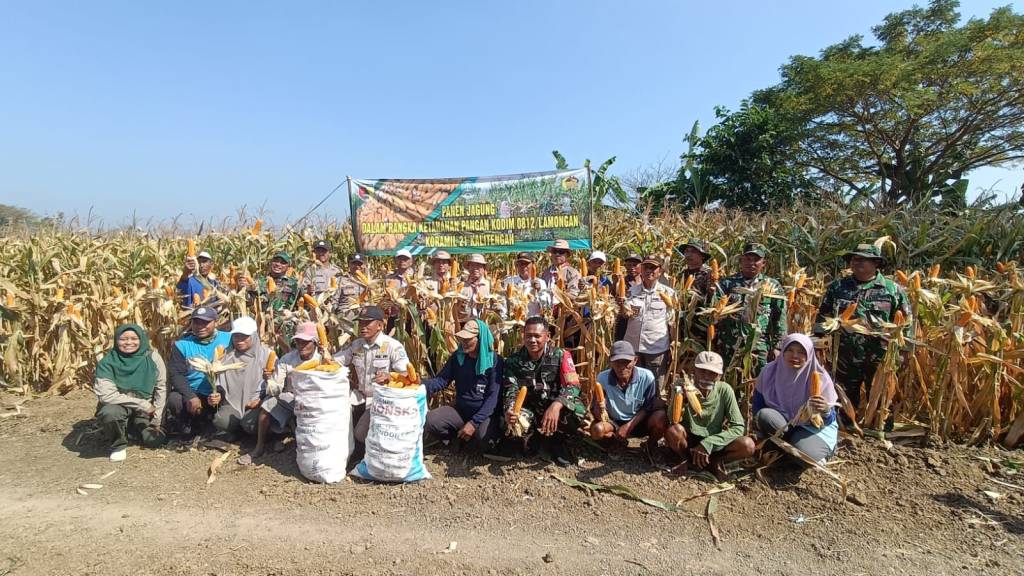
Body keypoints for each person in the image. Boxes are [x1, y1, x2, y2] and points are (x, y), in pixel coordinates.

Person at [814, 244, 913, 420]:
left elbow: (906, 322)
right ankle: (845, 426)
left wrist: (905, 351)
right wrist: (817, 344)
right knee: (843, 394)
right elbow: (824, 316)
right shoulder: (838, 287)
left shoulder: (893, 290)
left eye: (862, 259)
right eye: (854, 259)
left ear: (876, 263)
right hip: (845, 354)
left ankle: (878, 427)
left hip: (880, 355)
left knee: (881, 393)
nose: (856, 262)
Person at [502, 316, 585, 466]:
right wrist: (510, 409)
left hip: (555, 409)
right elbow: (511, 390)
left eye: (537, 336)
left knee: (577, 410)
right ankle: (532, 436)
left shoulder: (561, 356)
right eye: (528, 336)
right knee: (516, 421)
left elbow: (573, 386)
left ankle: (559, 440)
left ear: (548, 336)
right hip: (531, 409)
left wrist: (557, 404)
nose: (532, 340)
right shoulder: (512, 361)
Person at [238, 322, 322, 465]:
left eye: (306, 342)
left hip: (314, 400)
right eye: (298, 341)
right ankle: (259, 447)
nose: (301, 345)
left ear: (315, 342)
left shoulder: (322, 359)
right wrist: (269, 380)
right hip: (290, 397)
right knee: (267, 405)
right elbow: (276, 388)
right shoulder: (287, 359)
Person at [334, 306, 410, 464]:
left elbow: (407, 374)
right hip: (360, 396)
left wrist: (390, 376)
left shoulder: (392, 346)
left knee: (360, 433)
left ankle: (367, 458)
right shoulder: (356, 345)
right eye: (361, 323)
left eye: (368, 323)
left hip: (381, 400)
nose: (363, 327)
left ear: (380, 325)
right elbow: (336, 362)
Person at [664, 351, 755, 481]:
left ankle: (713, 462)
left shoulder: (725, 390)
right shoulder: (682, 385)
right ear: (694, 370)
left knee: (748, 445)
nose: (706, 377)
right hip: (688, 440)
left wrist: (709, 443)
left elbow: (738, 427)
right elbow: (672, 420)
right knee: (674, 431)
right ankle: (684, 459)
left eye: (712, 373)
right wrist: (681, 399)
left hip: (714, 442)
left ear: (720, 375)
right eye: (702, 371)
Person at [753, 334, 839, 464]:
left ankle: (823, 451)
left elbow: (828, 420)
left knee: (802, 456)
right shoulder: (769, 371)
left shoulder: (821, 377)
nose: (795, 356)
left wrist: (826, 410)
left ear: (809, 355)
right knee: (764, 415)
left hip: (812, 428)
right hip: (783, 423)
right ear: (783, 352)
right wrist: (759, 434)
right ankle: (786, 445)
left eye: (801, 352)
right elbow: (757, 405)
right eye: (790, 350)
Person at [422, 319, 502, 452]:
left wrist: (474, 422)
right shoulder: (458, 357)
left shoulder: (494, 361)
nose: (463, 343)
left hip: (484, 414)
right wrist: (417, 384)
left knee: (485, 440)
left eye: (468, 339)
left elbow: (493, 398)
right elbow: (441, 380)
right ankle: (458, 437)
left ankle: (473, 439)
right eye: (462, 339)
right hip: (461, 410)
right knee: (431, 421)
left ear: (480, 339)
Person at [93, 324, 168, 461]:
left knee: (154, 441)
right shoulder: (107, 362)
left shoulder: (153, 358)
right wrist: (142, 404)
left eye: (134, 338)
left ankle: (131, 428)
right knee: (110, 413)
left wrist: (157, 420)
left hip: (146, 411)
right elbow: (106, 395)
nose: (128, 343)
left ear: (142, 340)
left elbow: (161, 388)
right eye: (123, 339)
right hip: (120, 405)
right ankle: (118, 445)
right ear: (116, 341)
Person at [716, 242, 787, 375]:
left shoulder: (772, 286)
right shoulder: (727, 283)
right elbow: (716, 311)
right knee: (729, 382)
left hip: (759, 347)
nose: (751, 263)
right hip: (730, 346)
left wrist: (778, 347)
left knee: (758, 385)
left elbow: (780, 319)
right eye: (748, 259)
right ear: (741, 260)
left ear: (764, 263)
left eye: (756, 260)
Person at [166, 306, 232, 437]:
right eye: (196, 322)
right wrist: (190, 396)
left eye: (205, 322)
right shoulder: (182, 345)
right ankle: (190, 423)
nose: (200, 326)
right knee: (174, 399)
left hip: (219, 391)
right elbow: (176, 373)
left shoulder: (229, 339)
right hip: (194, 392)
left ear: (216, 322)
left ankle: (213, 423)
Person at [589, 341, 667, 451]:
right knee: (597, 430)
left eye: (626, 362)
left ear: (635, 360)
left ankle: (650, 447)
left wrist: (628, 426)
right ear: (610, 361)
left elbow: (647, 407)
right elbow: (596, 413)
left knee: (661, 418)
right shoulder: (602, 378)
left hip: (640, 421)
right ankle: (617, 442)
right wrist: (600, 408)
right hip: (614, 422)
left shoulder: (647, 377)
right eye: (617, 362)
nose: (622, 367)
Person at [616, 256, 675, 388]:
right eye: (646, 267)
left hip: (656, 348)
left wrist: (673, 345)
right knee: (633, 384)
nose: (649, 271)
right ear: (641, 270)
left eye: (653, 268)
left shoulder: (669, 293)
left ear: (660, 271)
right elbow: (625, 316)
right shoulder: (631, 292)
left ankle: (655, 407)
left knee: (655, 386)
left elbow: (672, 322)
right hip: (633, 348)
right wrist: (620, 306)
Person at [209, 316, 271, 441]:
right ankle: (236, 431)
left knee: (251, 425)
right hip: (232, 402)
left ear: (253, 336)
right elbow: (218, 383)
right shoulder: (224, 356)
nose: (239, 340)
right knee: (221, 420)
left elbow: (276, 386)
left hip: (257, 403)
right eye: (236, 336)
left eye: (244, 336)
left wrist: (261, 399)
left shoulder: (267, 355)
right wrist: (217, 395)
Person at [502, 252, 550, 317]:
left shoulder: (541, 283)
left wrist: (539, 290)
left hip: (533, 322)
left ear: (533, 265)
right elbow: (503, 303)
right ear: (517, 265)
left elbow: (546, 306)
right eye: (521, 263)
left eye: (526, 263)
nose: (523, 266)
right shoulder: (508, 281)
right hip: (514, 321)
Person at [329, 253, 367, 334]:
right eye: (354, 263)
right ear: (349, 264)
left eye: (359, 264)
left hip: (363, 322)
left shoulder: (369, 282)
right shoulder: (340, 280)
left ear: (364, 265)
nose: (357, 266)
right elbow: (334, 301)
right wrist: (331, 316)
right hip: (345, 321)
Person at [457, 253, 496, 321]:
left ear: (484, 269)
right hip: (464, 323)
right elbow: (454, 307)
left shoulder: (491, 285)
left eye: (478, 265)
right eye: (472, 265)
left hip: (484, 324)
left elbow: (496, 306)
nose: (475, 268)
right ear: (468, 268)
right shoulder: (461, 285)